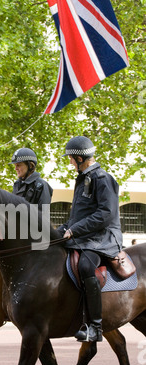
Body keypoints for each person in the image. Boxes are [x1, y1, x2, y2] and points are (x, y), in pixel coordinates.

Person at [57, 136, 123, 343]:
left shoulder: (103, 179)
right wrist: (60, 231)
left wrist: (75, 230)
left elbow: (106, 214)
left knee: (86, 266)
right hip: (85, 236)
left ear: (78, 158)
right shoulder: (83, 178)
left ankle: (95, 326)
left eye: (70, 158)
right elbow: (78, 216)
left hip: (103, 238)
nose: (69, 162)